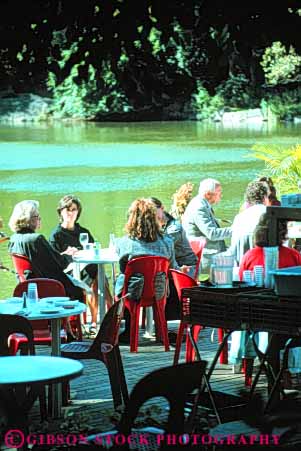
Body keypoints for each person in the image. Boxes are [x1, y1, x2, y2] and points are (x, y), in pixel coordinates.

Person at [229, 213, 301, 374]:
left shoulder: (249, 255)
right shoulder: (293, 255)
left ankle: (248, 363)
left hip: (255, 315)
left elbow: (242, 281)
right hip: (289, 317)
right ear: (283, 233)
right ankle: (289, 369)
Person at [115, 198, 178, 343]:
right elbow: (173, 268)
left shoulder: (124, 243)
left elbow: (122, 267)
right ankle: (161, 332)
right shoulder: (167, 242)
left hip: (133, 293)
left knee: (124, 278)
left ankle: (129, 330)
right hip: (159, 291)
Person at [49, 195, 112, 335]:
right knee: (95, 280)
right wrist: (65, 253)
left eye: (74, 210)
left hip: (87, 268)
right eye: (67, 210)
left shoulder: (83, 232)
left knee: (97, 275)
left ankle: (97, 321)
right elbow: (53, 260)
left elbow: (94, 250)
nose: (71, 213)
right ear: (61, 212)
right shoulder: (56, 235)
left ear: (78, 212)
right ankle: (99, 320)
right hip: (68, 273)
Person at [8, 200, 84, 302]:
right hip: (47, 287)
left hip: (27, 286)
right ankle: (67, 318)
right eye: (37, 217)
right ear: (27, 219)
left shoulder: (14, 239)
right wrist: (69, 255)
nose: (39, 219)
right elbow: (60, 264)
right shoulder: (36, 239)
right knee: (78, 290)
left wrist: (62, 255)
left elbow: (45, 261)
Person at [149, 197, 197, 323]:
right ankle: (157, 318)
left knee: (160, 280)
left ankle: (165, 318)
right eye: (149, 212)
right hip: (170, 265)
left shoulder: (174, 228)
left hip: (185, 266)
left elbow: (162, 247)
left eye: (154, 211)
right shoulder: (157, 227)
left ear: (162, 209)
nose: (152, 215)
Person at [182, 178, 232, 272]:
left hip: (209, 254)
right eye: (218, 192)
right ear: (208, 194)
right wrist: (237, 229)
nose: (221, 195)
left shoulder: (202, 204)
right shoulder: (199, 207)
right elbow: (212, 234)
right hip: (205, 258)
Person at [229, 181, 269, 264]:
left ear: (248, 200)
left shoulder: (238, 218)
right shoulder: (270, 215)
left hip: (243, 268)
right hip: (265, 265)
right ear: (265, 197)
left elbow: (233, 248)